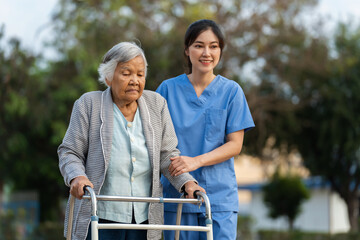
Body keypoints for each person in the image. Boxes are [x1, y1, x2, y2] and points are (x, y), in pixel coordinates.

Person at [58, 42, 205, 240]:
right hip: (100, 214)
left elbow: (168, 155)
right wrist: (77, 177)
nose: (135, 80)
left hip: (143, 219)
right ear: (109, 77)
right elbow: (69, 151)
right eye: (126, 73)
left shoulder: (157, 104)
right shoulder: (88, 104)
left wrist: (187, 183)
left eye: (140, 74)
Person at [156, 19, 255, 239]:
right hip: (177, 196)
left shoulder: (232, 92)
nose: (206, 53)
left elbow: (235, 145)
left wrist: (195, 161)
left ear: (220, 50)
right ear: (187, 50)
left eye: (213, 46)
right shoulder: (167, 90)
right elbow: (155, 142)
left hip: (219, 198)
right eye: (199, 45)